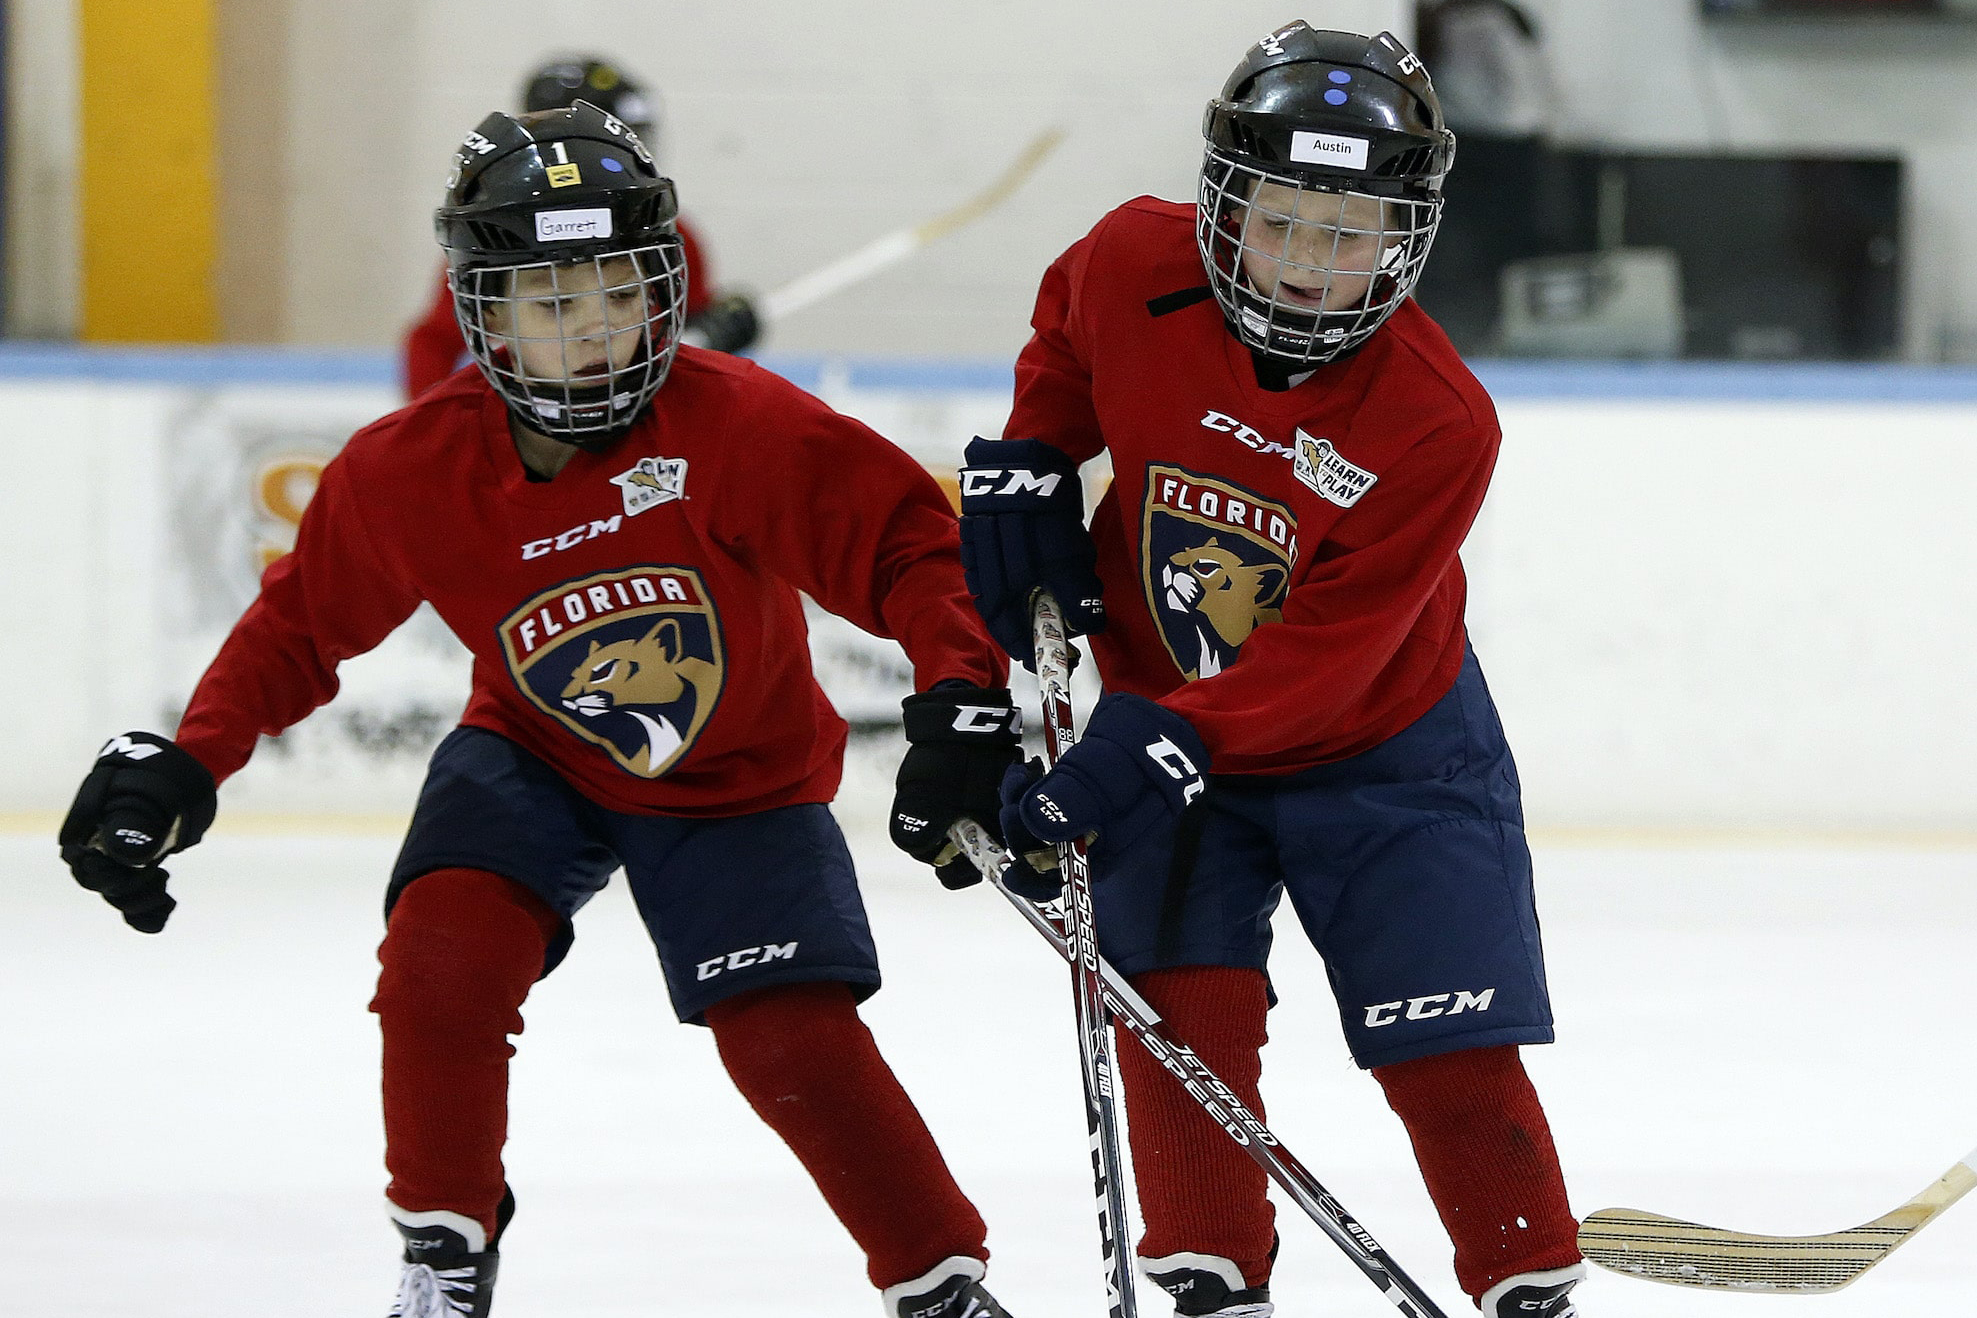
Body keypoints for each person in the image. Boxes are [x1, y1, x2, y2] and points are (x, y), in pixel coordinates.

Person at [59, 103, 1022, 1318]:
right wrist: (187, 762)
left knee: (790, 1037)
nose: (596, 328)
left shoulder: (740, 423)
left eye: (620, 292)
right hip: (533, 751)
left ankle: (939, 1284)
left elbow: (910, 551)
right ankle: (444, 1247)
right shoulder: (411, 466)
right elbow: (300, 625)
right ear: (486, 314)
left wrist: (961, 693)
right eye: (553, 301)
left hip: (742, 776)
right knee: (439, 966)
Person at [959, 22, 1586, 1318]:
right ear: (1224, 205)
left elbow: (1325, 655)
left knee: (1447, 1044)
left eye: (1348, 232)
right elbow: (1068, 337)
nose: (1307, 260)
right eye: (1281, 220)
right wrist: (1036, 453)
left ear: (1405, 236)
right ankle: (1214, 1283)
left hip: (1390, 749)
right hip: (1165, 708)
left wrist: (1145, 746)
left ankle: (1525, 1279)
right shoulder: (1132, 260)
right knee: (1174, 1020)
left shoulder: (1436, 421)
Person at [400, 55, 760, 399]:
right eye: (554, 303)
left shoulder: (670, 234)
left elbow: (681, 336)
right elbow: (434, 342)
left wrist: (716, 327)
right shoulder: (499, 246)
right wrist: (441, 426)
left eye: (623, 294)